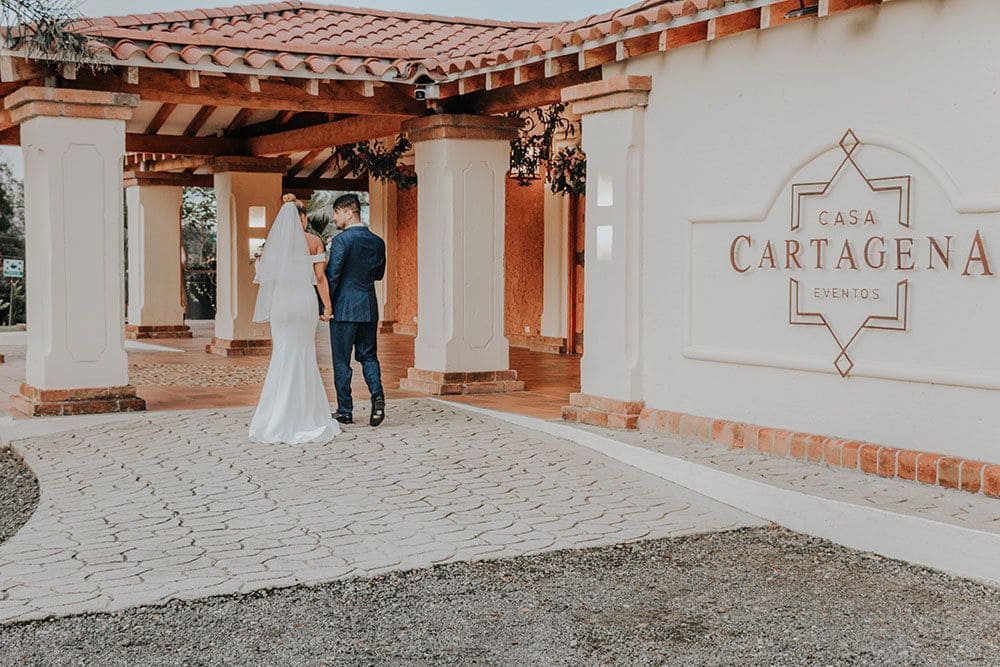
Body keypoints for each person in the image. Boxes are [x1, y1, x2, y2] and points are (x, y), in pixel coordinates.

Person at [248, 195, 339, 444]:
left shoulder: (273, 246)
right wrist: (328, 307)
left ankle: (276, 415)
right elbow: (320, 278)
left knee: (282, 353)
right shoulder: (313, 241)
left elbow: (263, 276)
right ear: (303, 218)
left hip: (282, 305)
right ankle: (306, 413)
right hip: (304, 303)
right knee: (304, 354)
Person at [325, 193, 387, 427]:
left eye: (337, 212)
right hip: (369, 306)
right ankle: (377, 395)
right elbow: (378, 274)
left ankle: (345, 411)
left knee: (342, 361)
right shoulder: (377, 241)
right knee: (368, 356)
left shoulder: (342, 241)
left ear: (348, 213)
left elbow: (333, 275)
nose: (335, 217)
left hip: (343, 309)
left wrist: (326, 305)